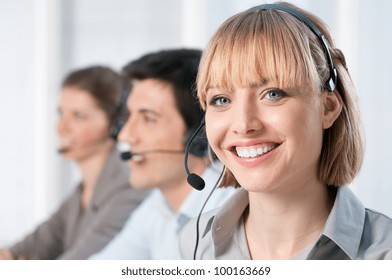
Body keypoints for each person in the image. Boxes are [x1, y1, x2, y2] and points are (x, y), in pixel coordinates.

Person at [180, 2, 392, 260]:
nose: (244, 125)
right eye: (221, 100)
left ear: (328, 108)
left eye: (272, 94)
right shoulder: (197, 242)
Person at [90, 49, 236, 260]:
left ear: (199, 135)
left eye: (148, 119)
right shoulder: (157, 207)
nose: (124, 135)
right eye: (129, 117)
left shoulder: (231, 213)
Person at [0, 66, 149, 260]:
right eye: (61, 114)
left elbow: (74, 269)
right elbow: (22, 251)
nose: (62, 128)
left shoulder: (130, 188)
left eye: (79, 116)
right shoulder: (80, 193)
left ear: (115, 125)